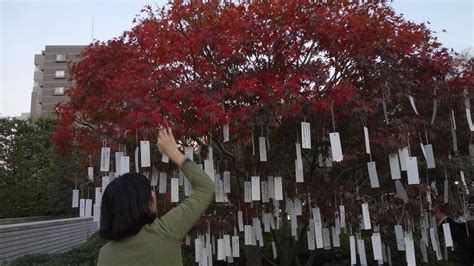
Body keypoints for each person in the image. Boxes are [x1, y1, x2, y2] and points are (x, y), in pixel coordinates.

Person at [97, 128, 215, 266]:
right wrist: (174, 153)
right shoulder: (167, 230)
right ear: (150, 203)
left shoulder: (105, 255)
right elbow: (206, 188)